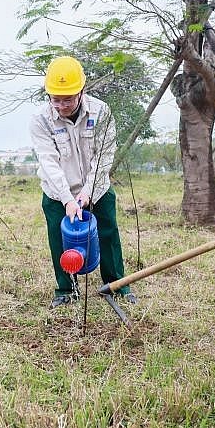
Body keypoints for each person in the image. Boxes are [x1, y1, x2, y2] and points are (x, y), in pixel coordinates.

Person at [29, 56, 136, 309]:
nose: (62, 105)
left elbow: (104, 156)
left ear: (82, 91)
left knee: (108, 234)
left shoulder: (101, 112)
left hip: (97, 189)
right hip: (57, 193)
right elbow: (49, 162)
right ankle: (66, 290)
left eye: (68, 99)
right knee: (59, 238)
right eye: (56, 99)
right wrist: (67, 199)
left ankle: (117, 285)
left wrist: (87, 192)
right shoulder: (41, 119)